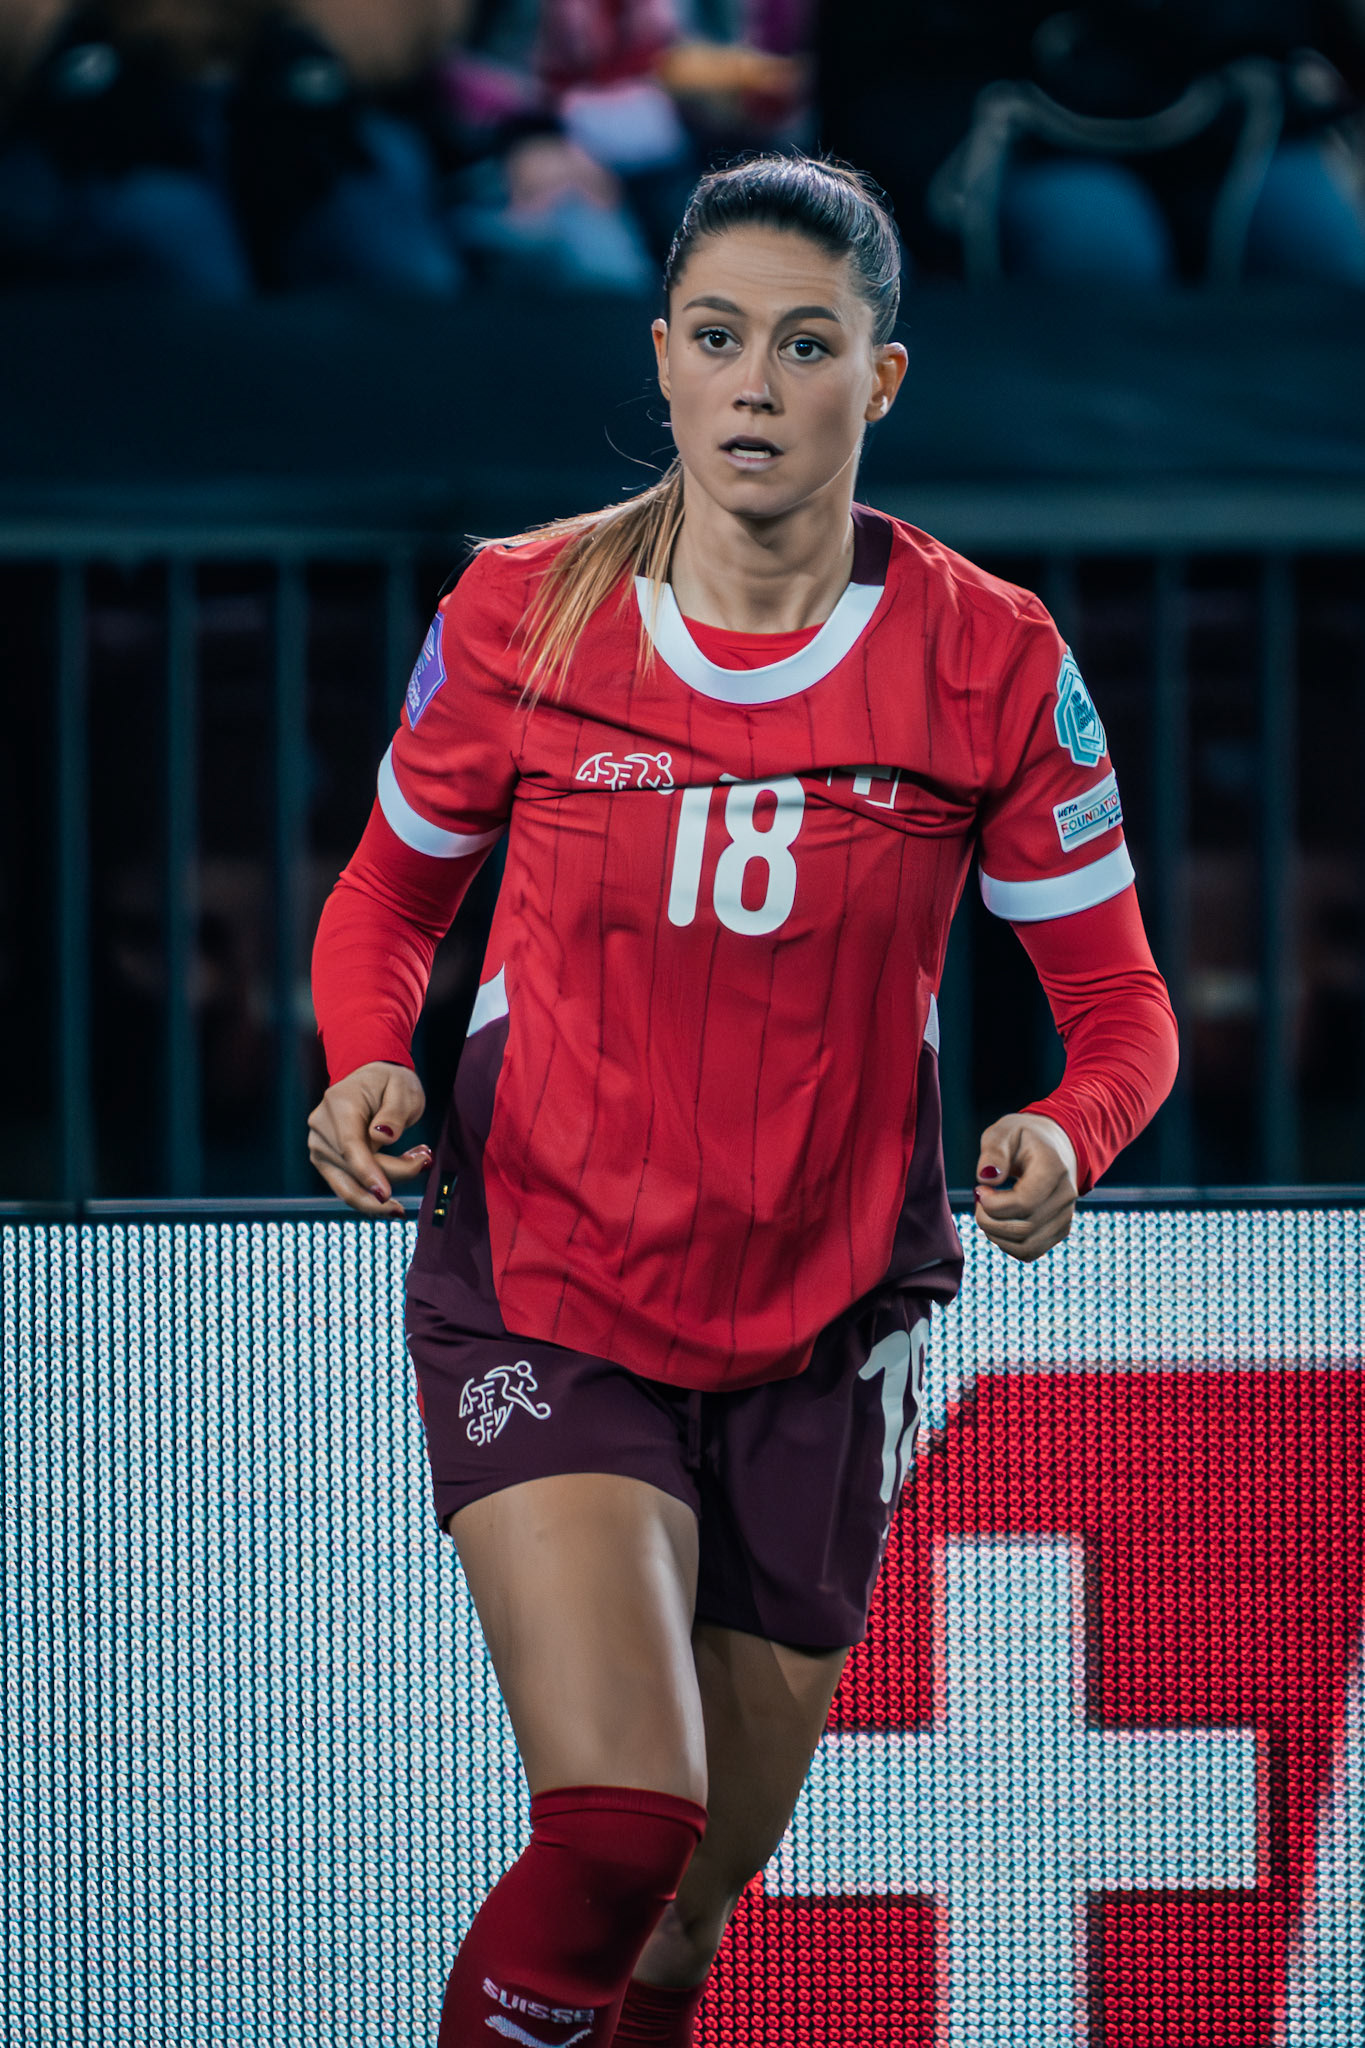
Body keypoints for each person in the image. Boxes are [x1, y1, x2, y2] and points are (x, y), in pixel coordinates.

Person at [307, 152, 1179, 2046]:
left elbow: (1117, 1006)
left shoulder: (993, 658)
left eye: (805, 345)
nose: (757, 384)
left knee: (682, 1931)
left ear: (879, 381)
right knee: (623, 1822)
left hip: (824, 1322)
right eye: (718, 341)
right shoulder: (526, 610)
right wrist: (368, 1054)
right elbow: (388, 897)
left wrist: (1065, 1131)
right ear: (666, 362)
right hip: (548, 1280)